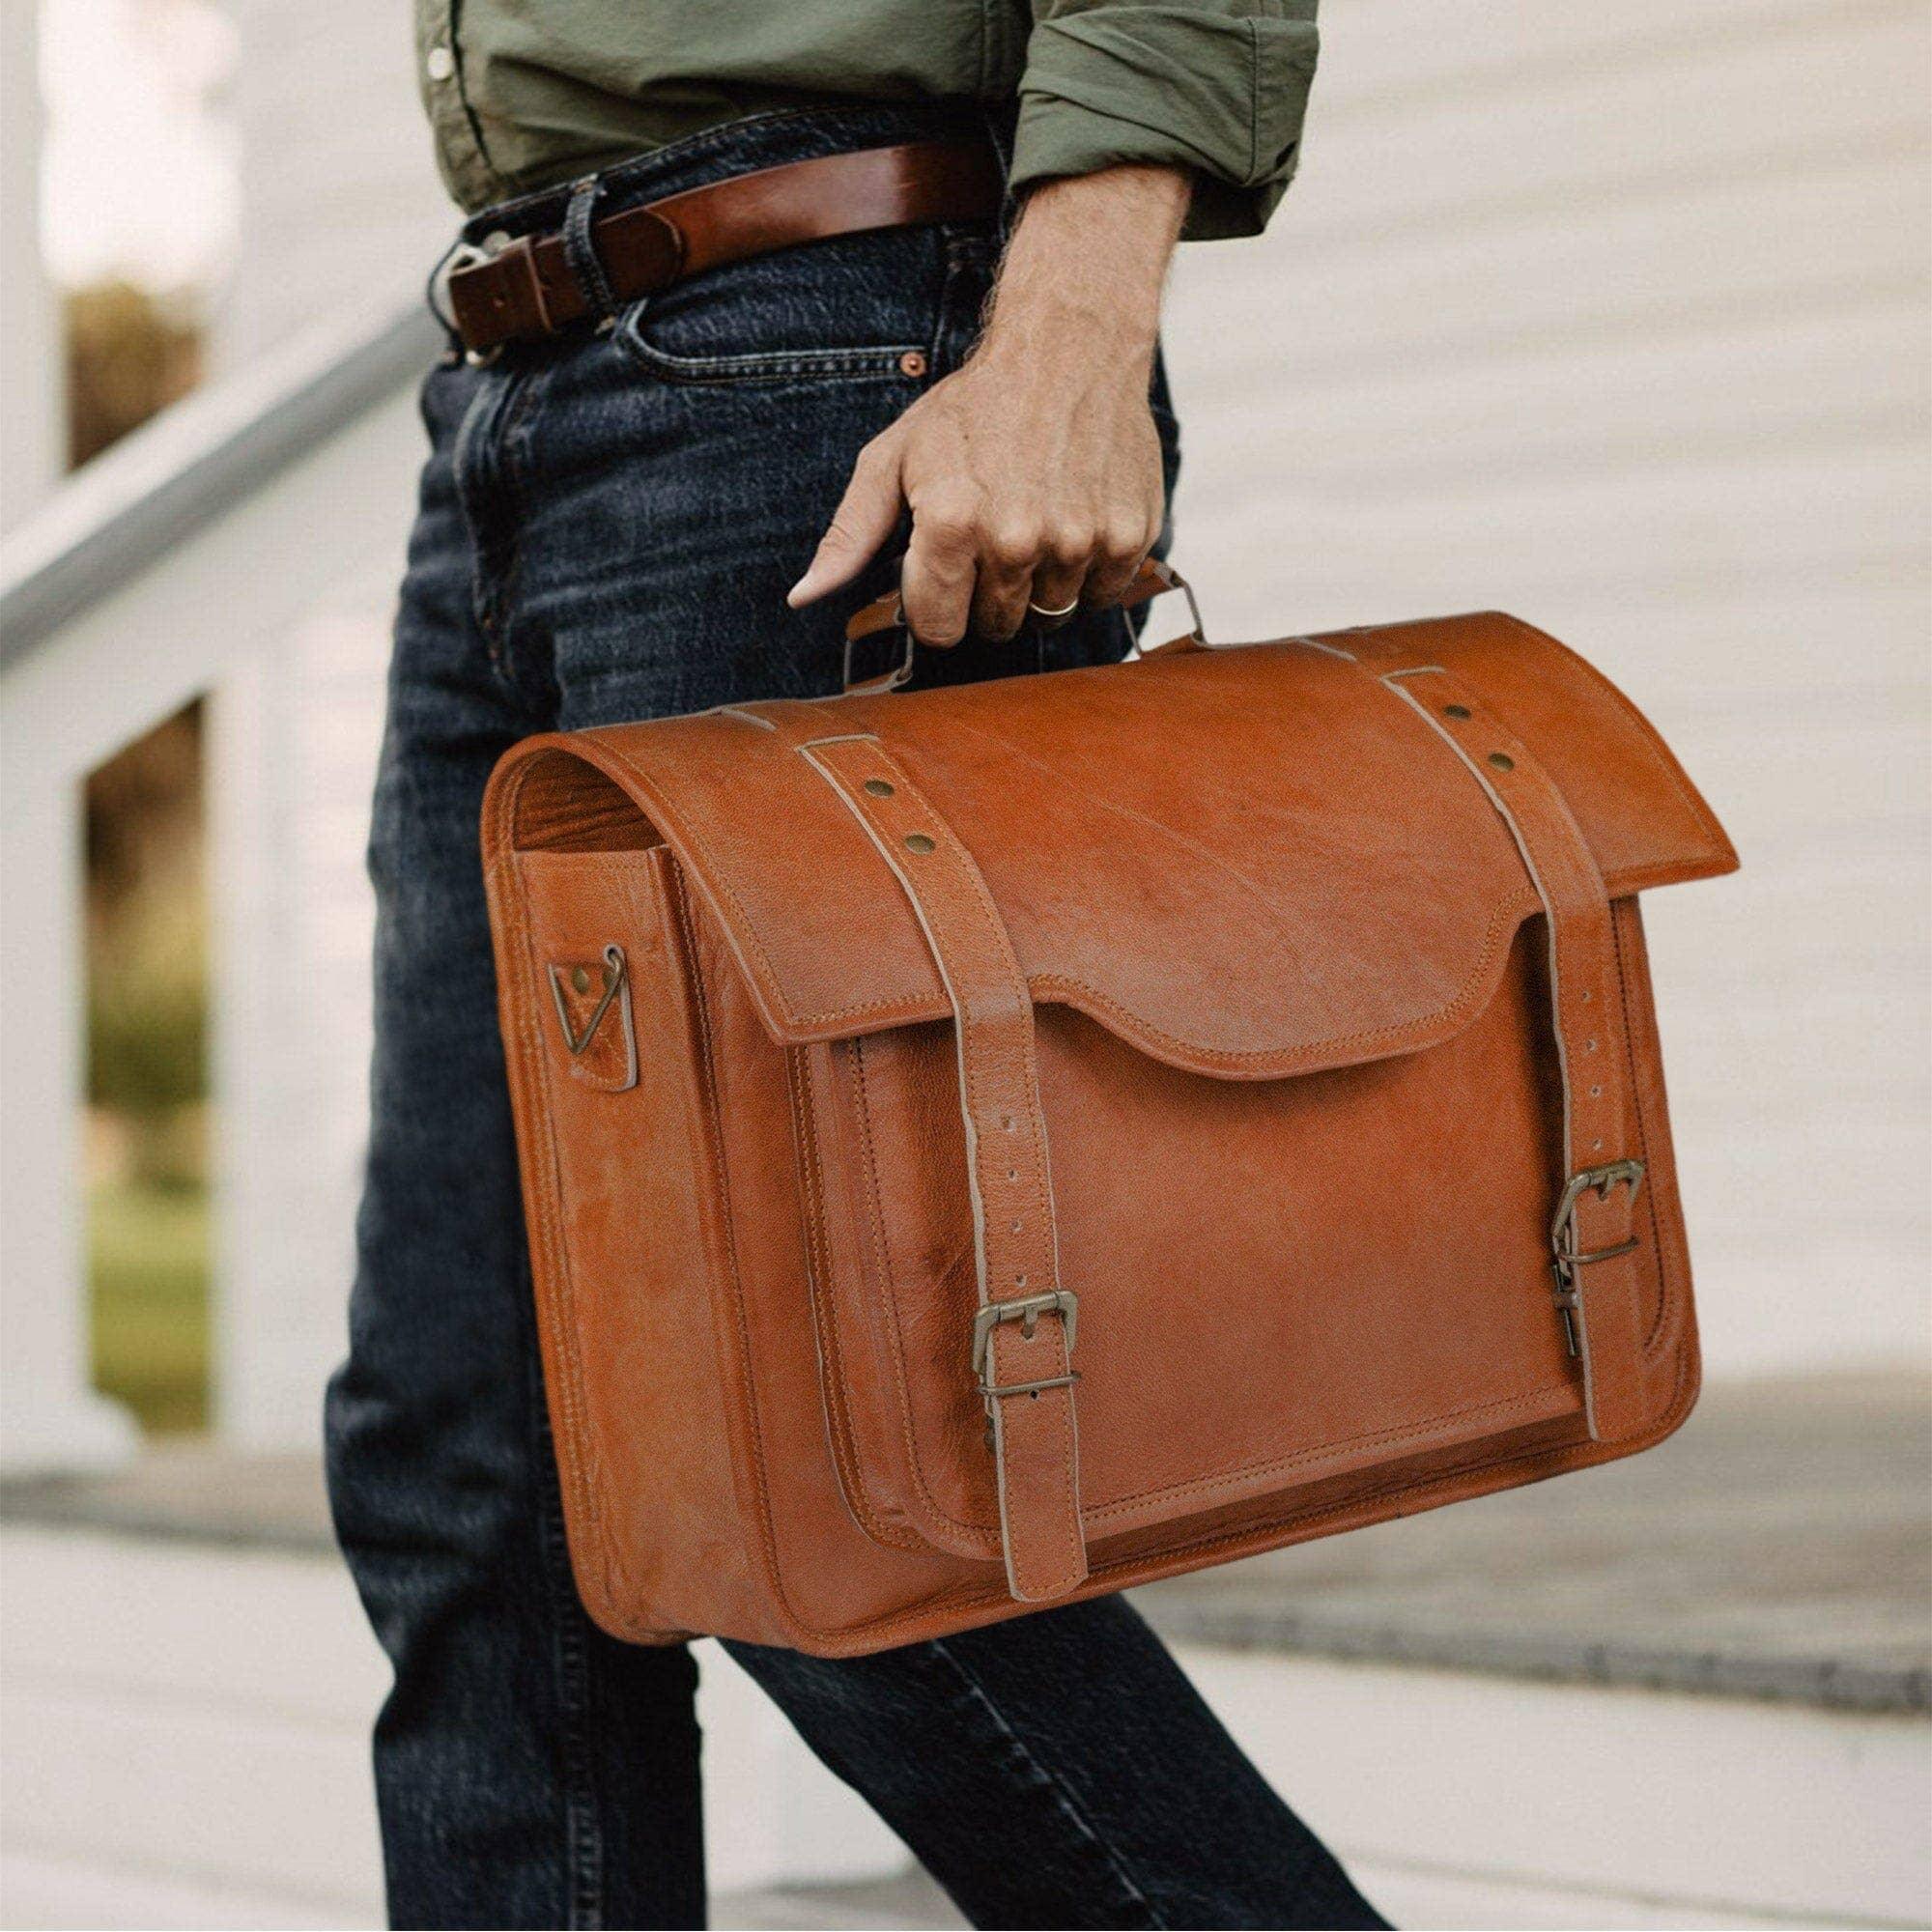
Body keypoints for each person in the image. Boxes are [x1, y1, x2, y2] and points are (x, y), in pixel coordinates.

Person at [326, 4, 1387, 1926]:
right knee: (469, 1473)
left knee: (799, 1482)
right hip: (508, 392)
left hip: (815, 364)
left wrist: (1075, 330)